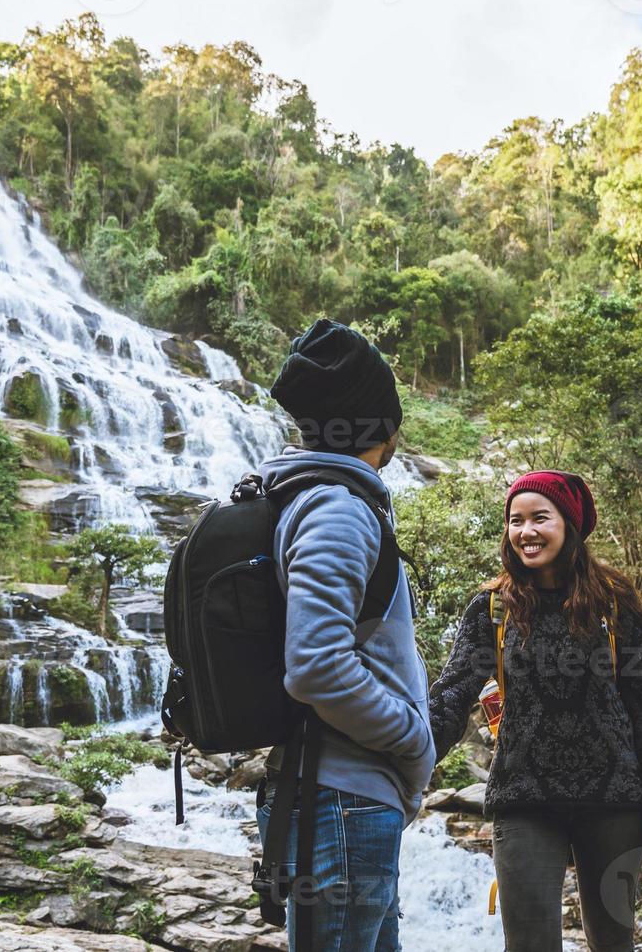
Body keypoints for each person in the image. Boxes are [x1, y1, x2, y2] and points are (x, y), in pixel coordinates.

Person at [428, 470, 642, 952]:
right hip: (524, 798)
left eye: (539, 517)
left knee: (613, 942)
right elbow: (452, 695)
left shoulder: (613, 604)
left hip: (614, 800)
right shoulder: (492, 608)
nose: (526, 531)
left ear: (568, 524)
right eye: (515, 520)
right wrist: (404, 763)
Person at [259, 318, 436, 951]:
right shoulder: (338, 509)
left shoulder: (315, 498)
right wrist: (415, 740)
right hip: (342, 798)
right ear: (380, 426)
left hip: (340, 795)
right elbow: (316, 666)